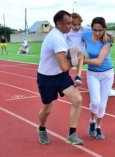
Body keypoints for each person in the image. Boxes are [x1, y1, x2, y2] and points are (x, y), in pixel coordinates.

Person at [36, 10, 84, 145]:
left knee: (77, 99)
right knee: (47, 109)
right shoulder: (56, 37)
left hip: (61, 76)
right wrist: (75, 60)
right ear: (59, 24)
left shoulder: (62, 33)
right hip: (46, 78)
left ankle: (72, 134)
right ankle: (41, 129)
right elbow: (64, 66)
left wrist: (71, 53)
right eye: (68, 23)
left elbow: (63, 66)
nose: (71, 26)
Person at [82, 17, 114, 140]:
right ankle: (91, 121)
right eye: (94, 30)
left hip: (107, 73)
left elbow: (100, 61)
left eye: (100, 30)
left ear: (104, 29)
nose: (97, 33)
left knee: (102, 104)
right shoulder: (86, 35)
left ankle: (98, 126)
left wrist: (83, 61)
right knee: (95, 101)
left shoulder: (107, 40)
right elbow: (73, 32)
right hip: (92, 74)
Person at [66, 12, 91, 85]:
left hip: (80, 53)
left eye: (79, 24)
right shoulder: (68, 30)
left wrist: (105, 34)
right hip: (70, 51)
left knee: (81, 53)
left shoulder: (83, 29)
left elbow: (95, 28)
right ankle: (74, 57)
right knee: (74, 49)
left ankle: (78, 76)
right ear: (70, 24)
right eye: (74, 25)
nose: (77, 27)